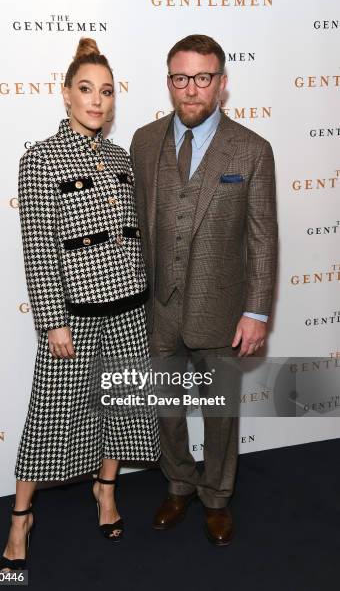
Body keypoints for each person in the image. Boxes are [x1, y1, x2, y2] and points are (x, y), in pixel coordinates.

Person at [0, 37, 160, 571]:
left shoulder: (119, 157)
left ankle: (106, 491)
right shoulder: (40, 159)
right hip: (76, 316)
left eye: (107, 92)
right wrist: (52, 322)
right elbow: (38, 248)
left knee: (119, 408)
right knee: (51, 415)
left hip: (130, 309)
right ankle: (21, 516)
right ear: (65, 93)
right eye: (87, 89)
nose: (98, 100)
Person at [130, 34, 278, 545]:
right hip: (158, 305)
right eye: (180, 78)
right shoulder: (144, 141)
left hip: (222, 308)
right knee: (166, 410)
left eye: (202, 78)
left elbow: (262, 238)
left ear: (221, 82)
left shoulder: (253, 150)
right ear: (169, 80)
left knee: (219, 414)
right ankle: (178, 483)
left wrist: (256, 312)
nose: (190, 90)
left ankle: (216, 495)